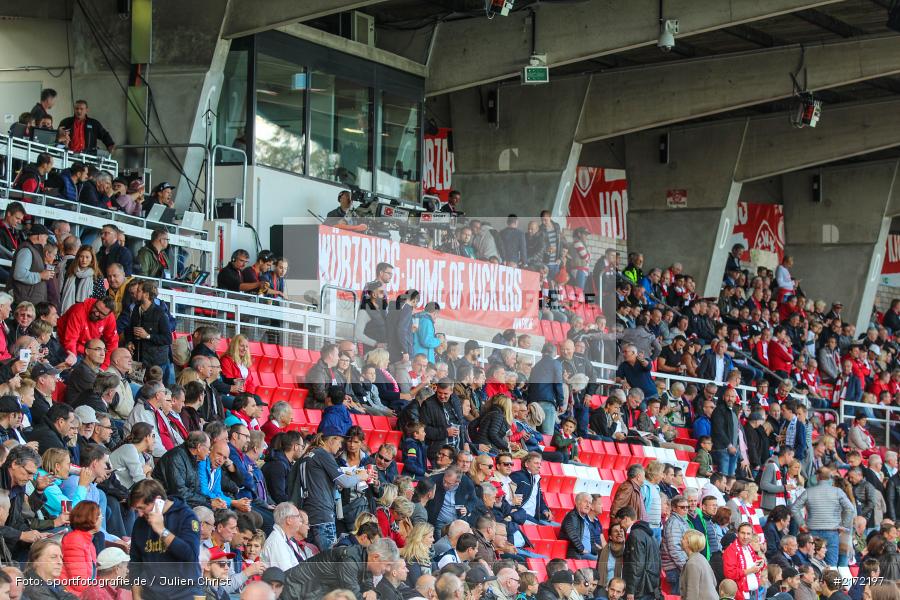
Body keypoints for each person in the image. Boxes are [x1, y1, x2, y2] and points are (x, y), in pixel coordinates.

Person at [280, 537, 400, 600]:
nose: (388, 569)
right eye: (387, 564)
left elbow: (367, 589)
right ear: (376, 557)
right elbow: (352, 596)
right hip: (292, 590)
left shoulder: (365, 561)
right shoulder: (350, 560)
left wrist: (373, 593)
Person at [790, 466, 855, 567]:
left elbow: (794, 508)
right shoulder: (837, 492)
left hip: (812, 531)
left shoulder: (808, 491)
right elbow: (850, 509)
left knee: (812, 563)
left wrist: (802, 524)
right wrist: (844, 525)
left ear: (817, 478)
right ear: (830, 478)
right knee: (831, 566)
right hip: (832, 531)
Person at [57, 297, 118, 369]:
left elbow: (113, 343)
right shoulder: (79, 311)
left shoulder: (110, 319)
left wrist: (104, 367)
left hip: (87, 350)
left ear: (107, 315)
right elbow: (70, 340)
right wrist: (72, 356)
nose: (96, 313)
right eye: (96, 308)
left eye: (101, 313)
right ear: (95, 303)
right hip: (64, 343)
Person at [617, 506, 659, 600]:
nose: (620, 527)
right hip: (650, 586)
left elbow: (636, 564)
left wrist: (631, 590)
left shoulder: (635, 534)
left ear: (626, 519)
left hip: (640, 589)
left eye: (620, 523)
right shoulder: (650, 535)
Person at [60, 500, 102, 595]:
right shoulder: (74, 540)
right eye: (100, 516)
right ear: (91, 518)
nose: (101, 519)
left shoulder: (88, 542)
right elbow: (79, 583)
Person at [10, 223, 54, 306]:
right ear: (39, 236)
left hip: (30, 301)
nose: (46, 241)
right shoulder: (27, 250)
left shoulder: (32, 249)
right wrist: (40, 276)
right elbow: (19, 274)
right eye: (46, 237)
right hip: (25, 303)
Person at [528, 343, 565, 435]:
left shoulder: (535, 366)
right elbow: (558, 384)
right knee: (547, 434)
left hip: (533, 403)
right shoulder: (556, 363)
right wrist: (561, 402)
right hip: (547, 402)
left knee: (535, 434)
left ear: (542, 352)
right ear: (554, 353)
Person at [723, 523, 766, 600]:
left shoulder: (748, 547)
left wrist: (761, 562)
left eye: (748, 534)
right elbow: (729, 573)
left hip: (753, 592)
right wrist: (749, 571)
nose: (745, 537)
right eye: (743, 533)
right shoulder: (731, 550)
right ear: (737, 534)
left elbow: (752, 562)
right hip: (741, 595)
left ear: (751, 535)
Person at [661, 495, 694, 591]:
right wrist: (685, 566)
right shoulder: (674, 523)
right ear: (674, 508)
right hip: (675, 568)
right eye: (682, 507)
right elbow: (674, 548)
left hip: (677, 567)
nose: (686, 509)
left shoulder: (681, 521)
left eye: (687, 507)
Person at [560, 492, 601, 560]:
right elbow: (572, 534)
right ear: (577, 503)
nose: (588, 505)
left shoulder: (585, 519)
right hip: (578, 554)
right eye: (585, 502)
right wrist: (582, 549)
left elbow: (591, 540)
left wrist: (598, 551)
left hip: (589, 554)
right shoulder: (572, 516)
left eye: (590, 503)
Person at [680, 529, 718, 600]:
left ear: (689, 542)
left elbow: (692, 595)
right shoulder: (701, 558)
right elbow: (714, 582)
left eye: (683, 538)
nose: (681, 540)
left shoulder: (692, 564)